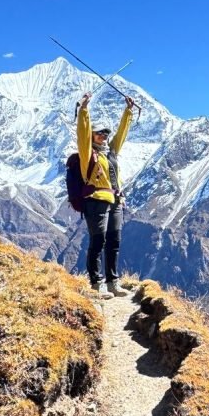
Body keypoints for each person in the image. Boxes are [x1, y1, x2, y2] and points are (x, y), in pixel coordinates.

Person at [77, 92, 135, 299]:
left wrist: (128, 111)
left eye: (105, 133)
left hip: (116, 201)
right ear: (92, 135)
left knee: (114, 242)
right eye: (99, 133)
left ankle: (113, 282)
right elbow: (82, 134)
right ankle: (96, 284)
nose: (104, 136)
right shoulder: (87, 154)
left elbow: (121, 135)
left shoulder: (110, 153)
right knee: (98, 241)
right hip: (96, 202)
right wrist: (84, 110)